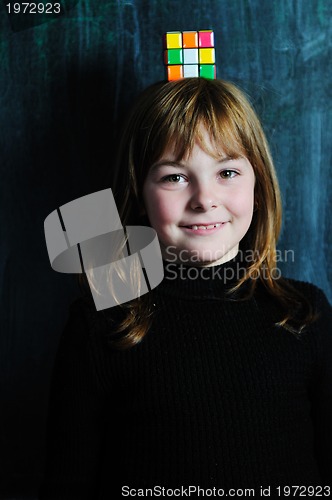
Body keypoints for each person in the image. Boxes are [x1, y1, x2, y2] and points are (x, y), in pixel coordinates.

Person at [39, 78, 332, 499]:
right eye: (175, 177)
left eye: (227, 172)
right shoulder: (103, 323)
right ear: (139, 193)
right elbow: (67, 485)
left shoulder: (306, 313)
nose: (204, 199)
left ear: (258, 184)